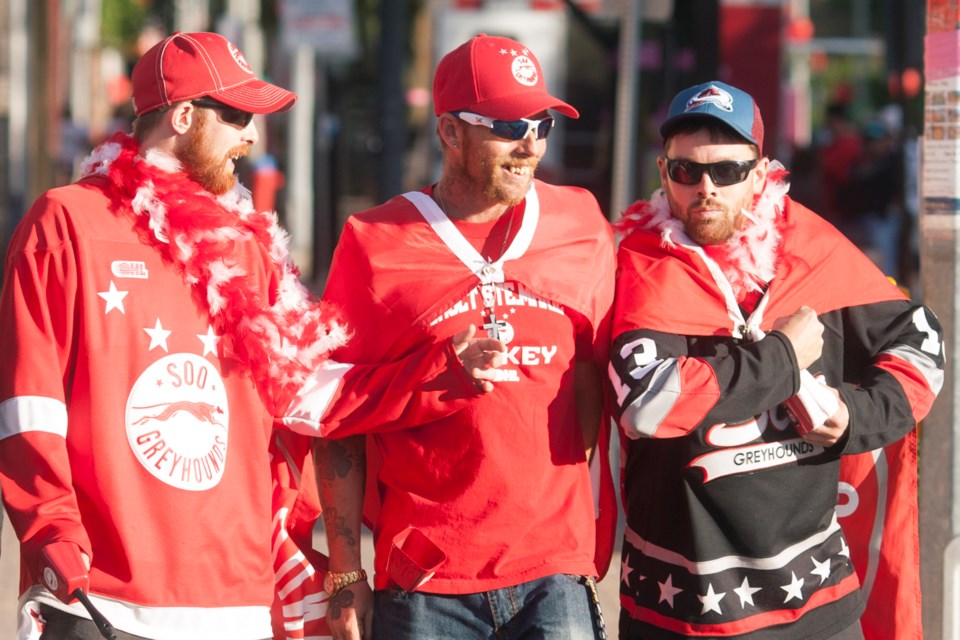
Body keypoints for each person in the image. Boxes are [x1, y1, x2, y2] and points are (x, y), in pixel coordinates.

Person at [0, 31, 506, 640]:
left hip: (234, 600)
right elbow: (28, 404)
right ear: (184, 116)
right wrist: (52, 534)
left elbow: (308, 395)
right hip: (104, 597)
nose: (252, 136)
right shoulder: (66, 223)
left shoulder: (248, 247)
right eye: (237, 115)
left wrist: (439, 372)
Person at [610, 80, 944, 640]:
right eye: (686, 172)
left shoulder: (815, 252)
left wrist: (856, 419)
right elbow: (650, 405)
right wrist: (784, 356)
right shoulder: (640, 267)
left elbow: (922, 339)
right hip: (676, 609)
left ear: (761, 174)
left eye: (729, 171)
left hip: (813, 604)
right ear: (664, 173)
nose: (706, 188)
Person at [316, 33, 617, 640]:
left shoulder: (580, 221)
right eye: (507, 125)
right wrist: (347, 572)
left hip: (553, 572)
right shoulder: (375, 242)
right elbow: (331, 411)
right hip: (427, 581)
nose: (529, 144)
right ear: (451, 132)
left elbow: (594, 375)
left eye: (541, 124)